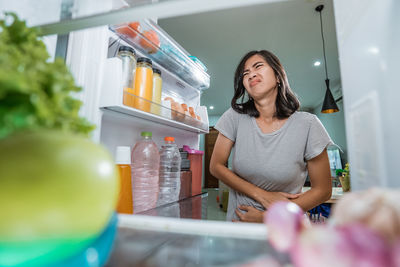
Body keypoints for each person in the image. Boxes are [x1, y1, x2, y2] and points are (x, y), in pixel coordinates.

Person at [210, 50, 333, 223]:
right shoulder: (234, 117)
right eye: (245, 74)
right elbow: (215, 166)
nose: (251, 74)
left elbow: (323, 190)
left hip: (286, 228)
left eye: (258, 66)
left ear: (277, 76)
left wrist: (267, 217)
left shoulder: (308, 124)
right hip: (240, 226)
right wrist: (263, 196)